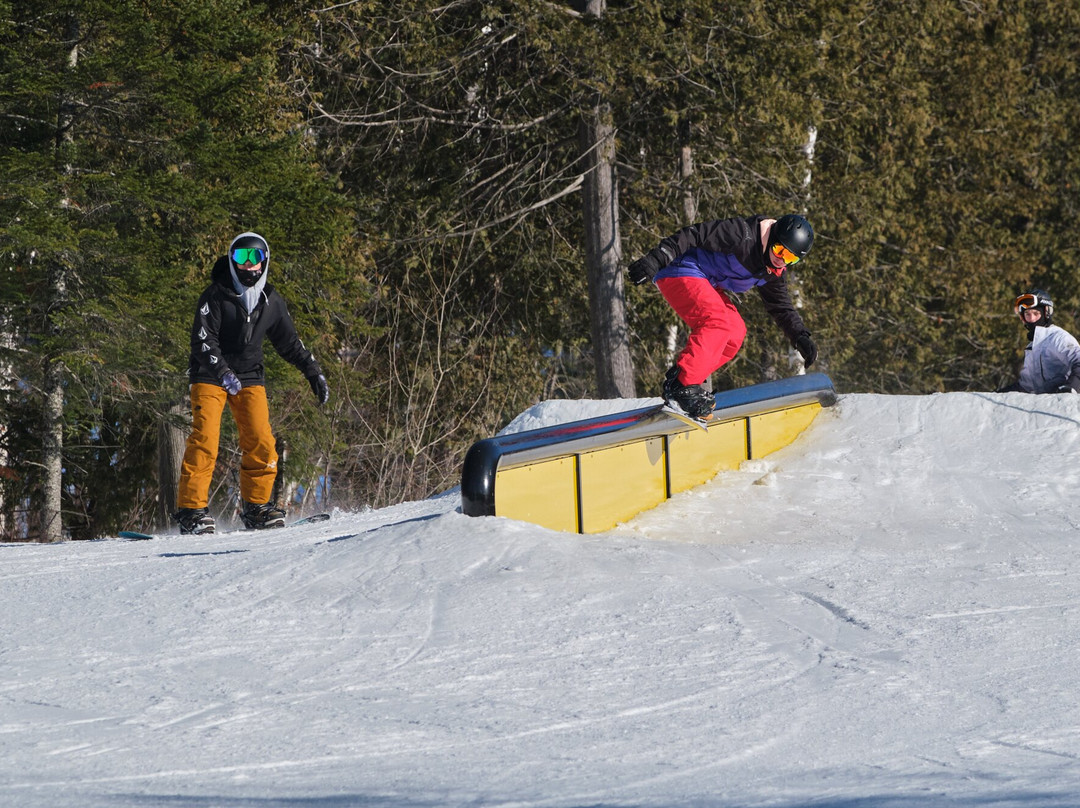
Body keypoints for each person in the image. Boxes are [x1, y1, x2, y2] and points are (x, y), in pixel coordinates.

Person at [173, 232, 330, 535]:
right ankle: (192, 510)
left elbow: (291, 344)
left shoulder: (271, 301)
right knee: (205, 438)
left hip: (249, 375)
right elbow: (202, 341)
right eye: (240, 258)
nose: (248, 266)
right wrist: (222, 373)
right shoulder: (215, 296)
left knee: (260, 440)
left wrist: (313, 372)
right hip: (209, 374)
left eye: (254, 258)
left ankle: (257, 507)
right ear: (231, 262)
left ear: (264, 261)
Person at [627, 214, 818, 418]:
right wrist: (656, 258)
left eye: (791, 258)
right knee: (717, 323)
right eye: (780, 250)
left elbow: (781, 306)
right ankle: (684, 387)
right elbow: (694, 234)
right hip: (680, 268)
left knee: (735, 333)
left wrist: (800, 336)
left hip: (704, 280)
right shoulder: (742, 235)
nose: (781, 259)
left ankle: (680, 382)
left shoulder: (772, 271)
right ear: (772, 237)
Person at [997, 289, 1080, 394]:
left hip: (1065, 403)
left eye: (1036, 313)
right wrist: (997, 396)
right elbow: (1027, 385)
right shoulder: (1032, 347)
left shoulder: (1057, 338)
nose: (1031, 319)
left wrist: (1071, 387)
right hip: (1042, 403)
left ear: (1046, 313)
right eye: (1027, 314)